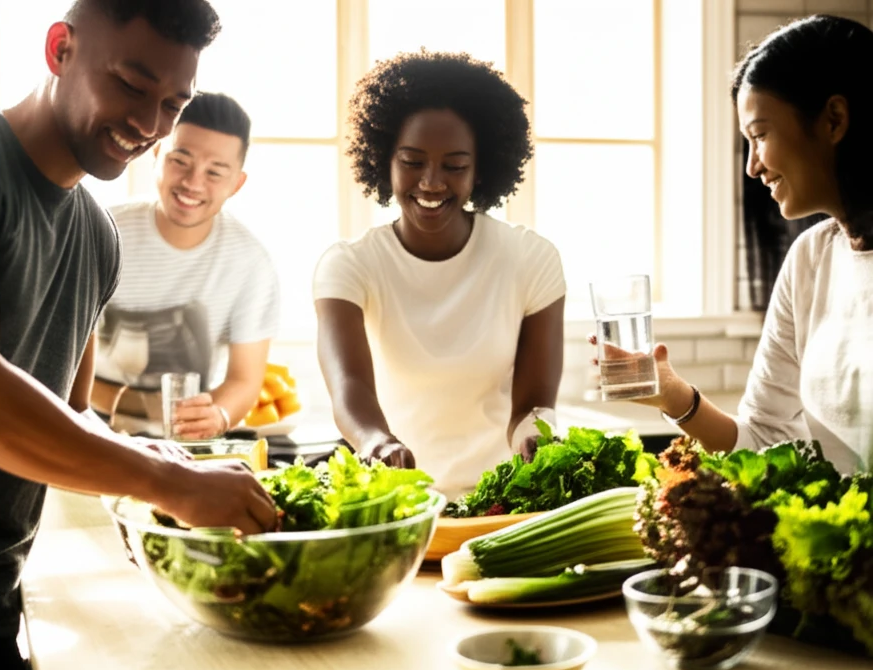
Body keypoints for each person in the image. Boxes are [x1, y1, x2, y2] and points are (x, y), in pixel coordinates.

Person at [0, 1, 277, 670]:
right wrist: (167, 482)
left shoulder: (96, 237)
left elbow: (73, 414)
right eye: (132, 85)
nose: (148, 125)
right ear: (60, 50)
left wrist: (177, 468)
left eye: (172, 102)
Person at [594, 14, 872, 475]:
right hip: (838, 545)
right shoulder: (809, 261)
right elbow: (763, 439)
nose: (752, 167)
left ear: (834, 120)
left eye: (760, 136)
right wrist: (671, 394)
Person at [313, 50, 567, 501]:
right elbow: (348, 386)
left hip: (500, 504)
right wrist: (376, 441)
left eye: (454, 166)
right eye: (412, 162)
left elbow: (531, 405)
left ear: (481, 169)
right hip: (397, 502)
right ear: (384, 159)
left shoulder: (530, 260)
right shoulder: (349, 266)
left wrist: (536, 434)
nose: (431, 182)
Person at [92, 92, 280, 440]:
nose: (193, 183)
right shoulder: (100, 233)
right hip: (86, 434)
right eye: (181, 160)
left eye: (215, 172)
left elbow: (244, 380)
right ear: (157, 154)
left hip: (186, 449)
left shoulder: (250, 263)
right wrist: (136, 406)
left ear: (236, 183)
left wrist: (219, 415)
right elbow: (58, 360)